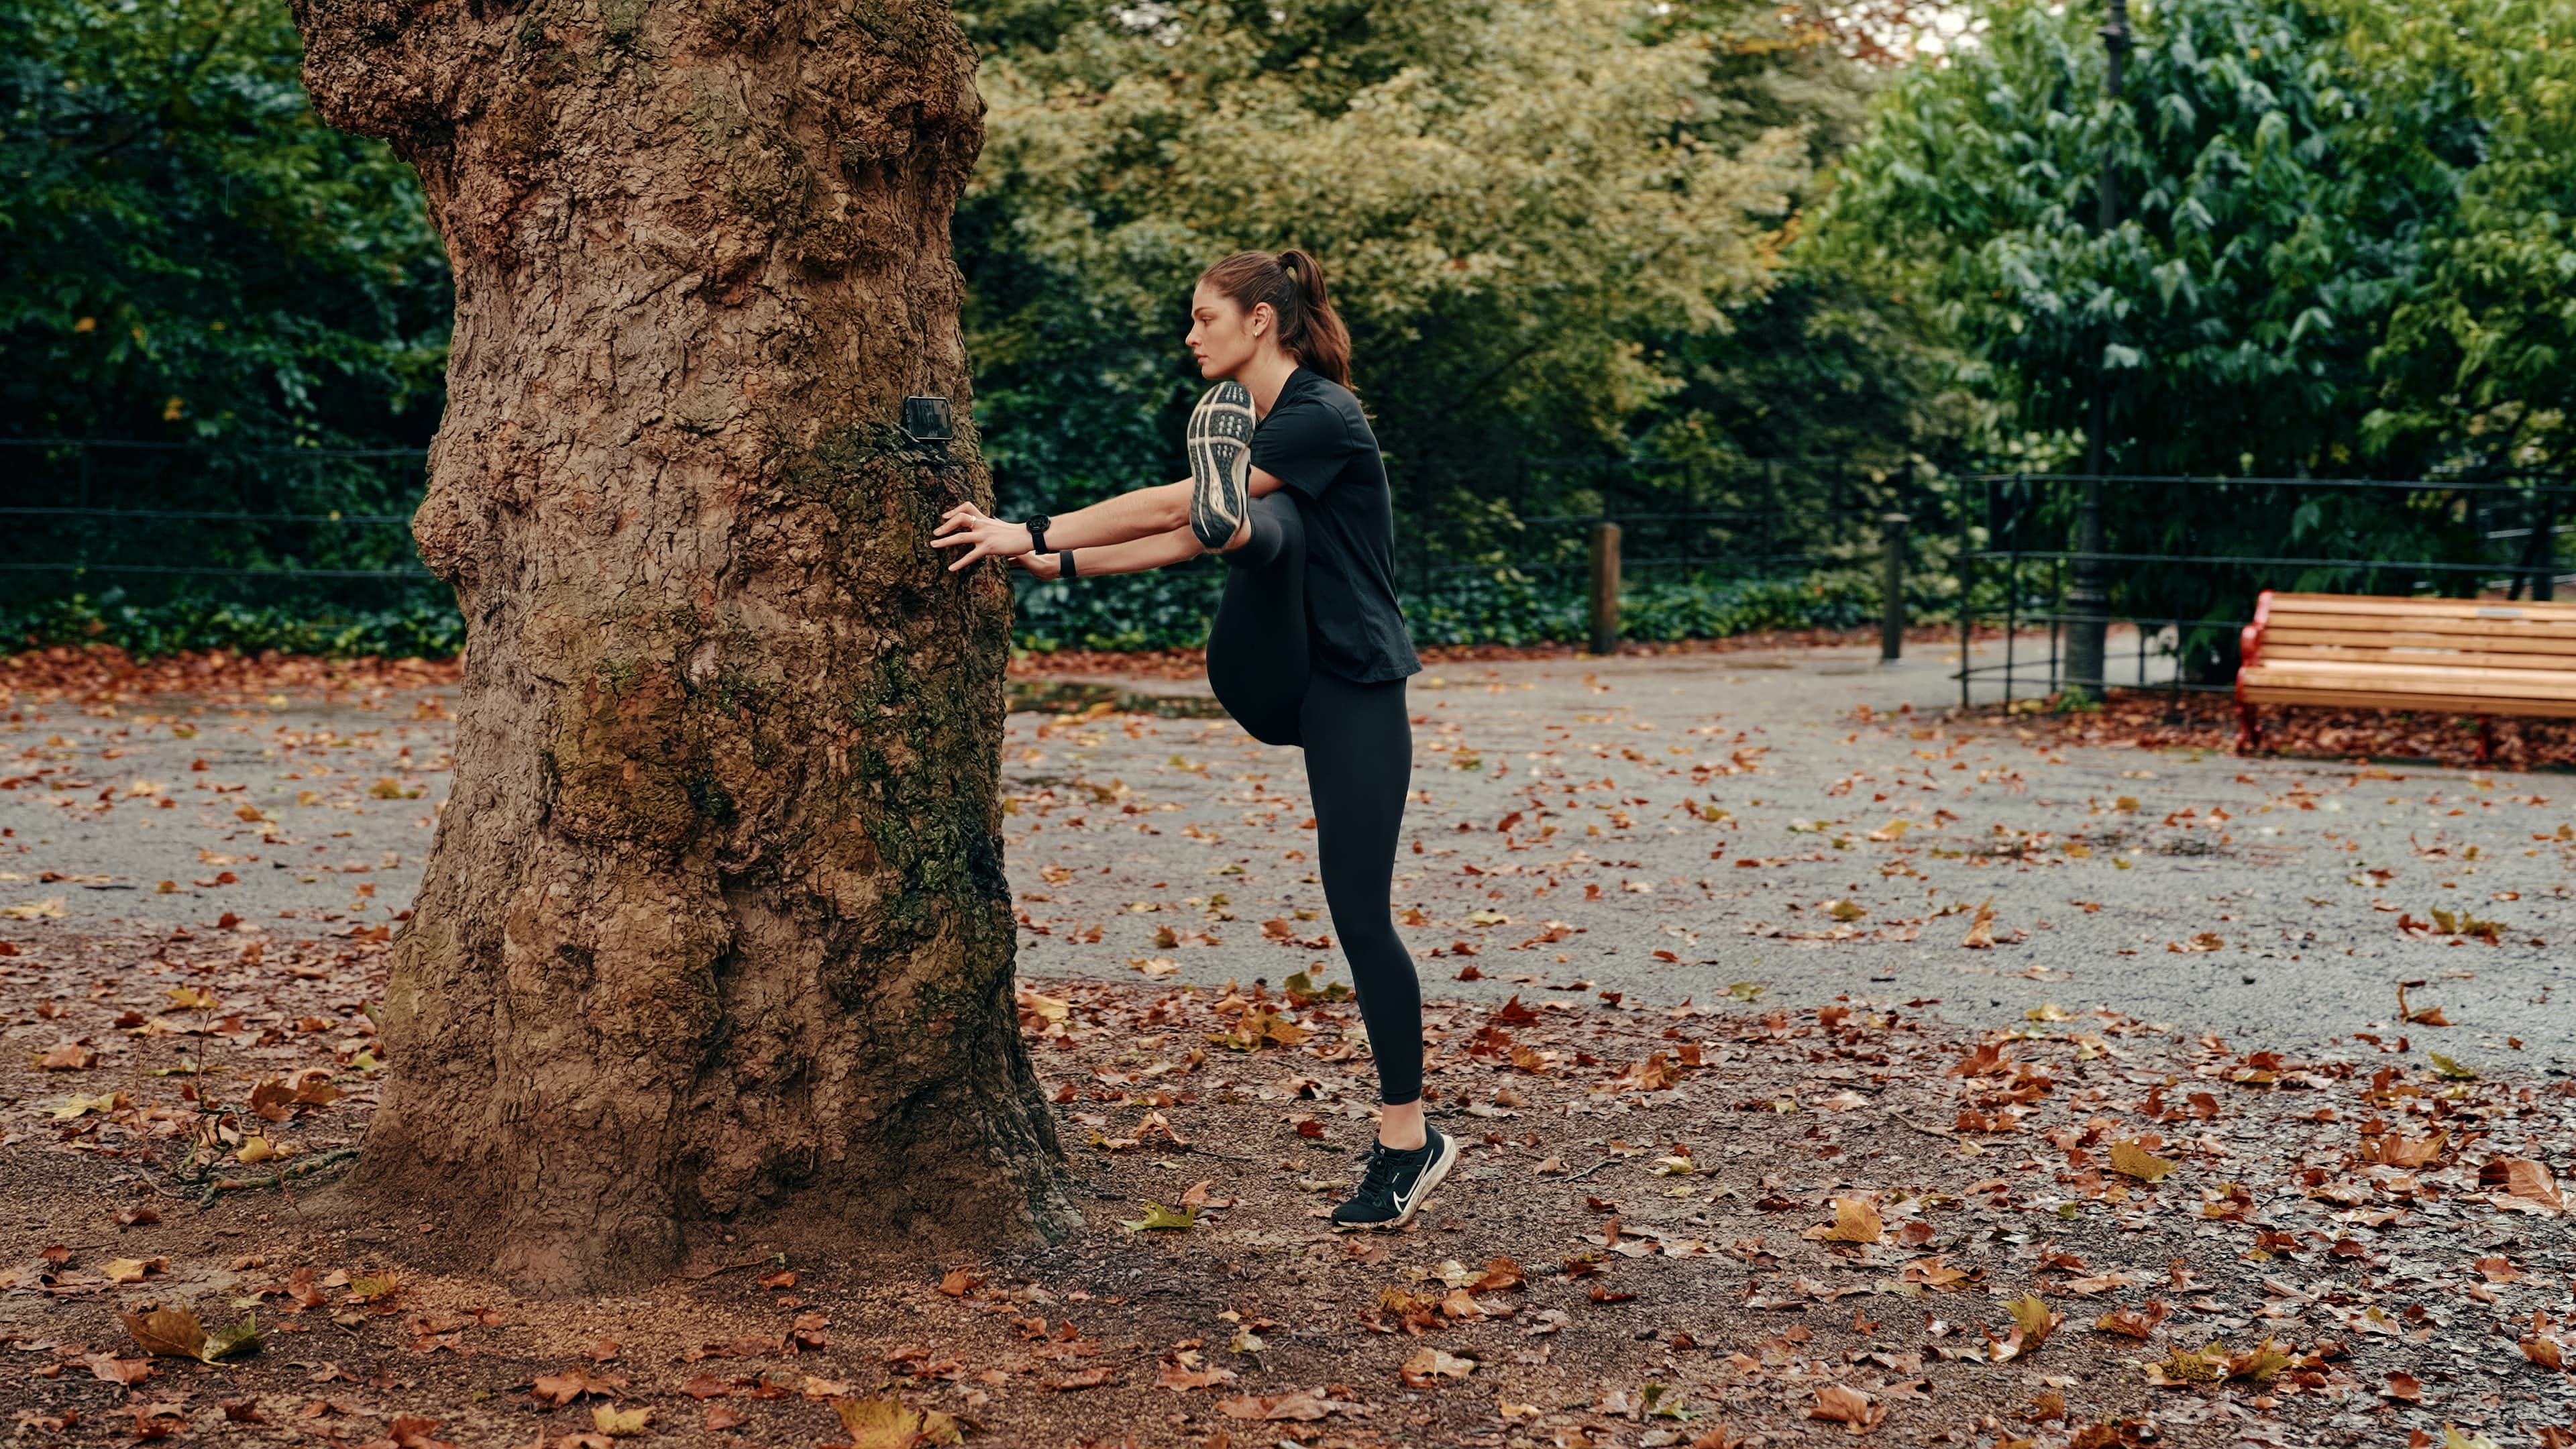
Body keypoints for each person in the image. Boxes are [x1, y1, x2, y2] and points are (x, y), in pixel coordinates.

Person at [932, 249, 1454, 1230]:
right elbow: (1183, 528)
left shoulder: (1322, 414)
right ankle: (1245, 523)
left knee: (1361, 916)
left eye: (1204, 317)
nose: (1191, 334)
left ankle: (1408, 1140)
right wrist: (1070, 561)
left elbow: (1183, 513)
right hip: (1275, 668)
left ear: (1262, 320)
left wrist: (1029, 531)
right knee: (1257, 526)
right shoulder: (1269, 424)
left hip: (1353, 682)